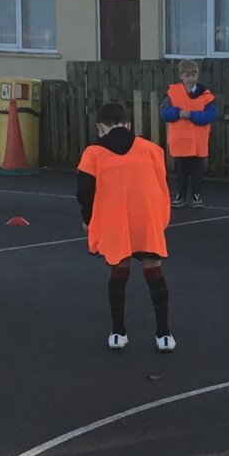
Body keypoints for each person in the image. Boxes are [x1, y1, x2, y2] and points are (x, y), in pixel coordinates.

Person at [77, 100, 175, 351]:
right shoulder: (152, 149)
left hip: (115, 220)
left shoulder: (93, 153)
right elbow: (161, 184)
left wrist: (88, 220)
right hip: (147, 218)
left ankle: (119, 332)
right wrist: (160, 217)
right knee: (154, 272)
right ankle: (163, 335)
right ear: (129, 124)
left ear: (100, 127)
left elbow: (85, 192)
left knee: (119, 271)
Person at [160, 59, 218, 209]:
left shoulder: (205, 94)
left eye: (194, 74)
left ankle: (196, 195)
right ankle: (180, 195)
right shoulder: (173, 93)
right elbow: (164, 112)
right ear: (181, 76)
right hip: (181, 140)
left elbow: (211, 115)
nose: (191, 78)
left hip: (198, 140)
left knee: (197, 171)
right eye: (188, 75)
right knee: (182, 171)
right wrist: (178, 113)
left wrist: (192, 115)